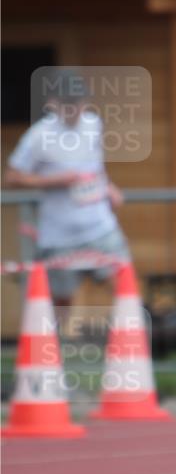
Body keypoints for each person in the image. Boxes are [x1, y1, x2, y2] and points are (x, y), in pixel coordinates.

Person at [5, 70, 130, 309]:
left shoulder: (94, 124)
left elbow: (95, 166)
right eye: (68, 104)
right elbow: (11, 177)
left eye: (79, 102)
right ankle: (55, 345)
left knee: (123, 287)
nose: (75, 109)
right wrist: (54, 181)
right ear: (53, 104)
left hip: (100, 227)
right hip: (58, 235)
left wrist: (109, 186)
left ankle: (132, 343)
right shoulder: (38, 136)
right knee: (60, 303)